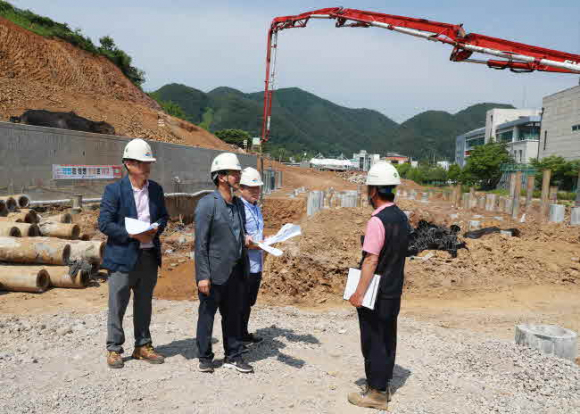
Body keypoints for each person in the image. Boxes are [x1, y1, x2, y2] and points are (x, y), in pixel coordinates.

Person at [98, 138, 168, 369]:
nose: (147, 167)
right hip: (122, 257)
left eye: (148, 163)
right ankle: (114, 348)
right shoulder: (114, 190)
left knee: (144, 303)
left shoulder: (156, 189)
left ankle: (143, 346)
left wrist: (156, 228)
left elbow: (163, 216)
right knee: (117, 304)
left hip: (148, 256)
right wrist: (132, 234)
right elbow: (105, 223)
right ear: (128, 163)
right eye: (142, 163)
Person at [347, 162, 410, 411]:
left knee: (373, 339)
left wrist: (359, 293)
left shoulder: (377, 221)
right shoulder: (401, 217)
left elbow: (371, 260)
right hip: (393, 289)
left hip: (376, 292)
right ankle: (383, 384)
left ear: (373, 191)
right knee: (386, 337)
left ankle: (376, 392)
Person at [194, 152, 253, 374]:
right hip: (214, 271)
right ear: (221, 177)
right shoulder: (207, 204)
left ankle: (233, 355)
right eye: (234, 173)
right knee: (207, 316)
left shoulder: (238, 204)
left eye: (238, 173)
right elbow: (200, 243)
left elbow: (238, 233)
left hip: (235, 270)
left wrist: (246, 240)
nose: (238, 177)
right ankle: (205, 357)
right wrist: (203, 276)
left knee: (233, 315)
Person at [238, 167, 265, 345]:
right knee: (240, 302)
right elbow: (237, 235)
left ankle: (243, 332)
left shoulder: (256, 208)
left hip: (257, 262)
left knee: (249, 301)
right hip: (244, 263)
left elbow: (257, 233)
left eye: (258, 188)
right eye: (251, 189)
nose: (256, 192)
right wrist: (249, 242)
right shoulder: (239, 208)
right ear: (241, 189)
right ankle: (236, 338)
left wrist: (266, 240)